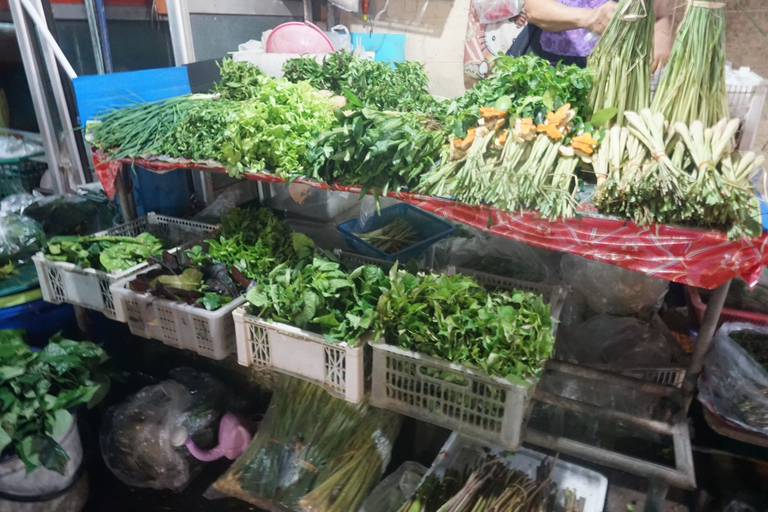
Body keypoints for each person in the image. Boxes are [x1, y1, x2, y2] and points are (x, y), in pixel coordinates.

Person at [508, 0, 673, 70]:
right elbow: (534, 7)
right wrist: (589, 18)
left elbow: (659, 15)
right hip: (542, 65)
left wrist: (661, 39)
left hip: (611, 73)